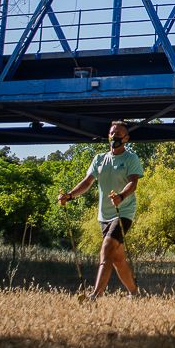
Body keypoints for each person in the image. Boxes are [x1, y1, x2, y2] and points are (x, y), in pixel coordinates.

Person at [58, 120, 142, 298]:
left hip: (124, 211)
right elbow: (87, 182)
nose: (115, 136)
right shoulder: (99, 158)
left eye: (119, 134)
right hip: (103, 215)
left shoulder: (131, 158)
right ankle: (134, 293)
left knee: (106, 248)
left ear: (126, 138)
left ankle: (95, 296)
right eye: (112, 133)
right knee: (117, 258)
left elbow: (133, 183)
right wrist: (70, 195)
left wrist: (121, 197)